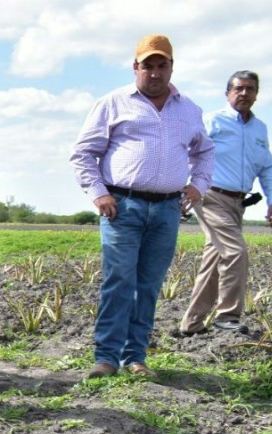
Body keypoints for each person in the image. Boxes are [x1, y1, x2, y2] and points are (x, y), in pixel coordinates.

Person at [70, 34, 214, 380]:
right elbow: (83, 153)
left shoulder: (189, 109)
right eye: (147, 65)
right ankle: (106, 357)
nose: (154, 72)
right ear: (135, 67)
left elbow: (205, 152)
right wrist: (98, 193)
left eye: (161, 65)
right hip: (122, 207)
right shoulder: (113, 103)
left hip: (167, 210)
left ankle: (135, 356)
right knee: (119, 282)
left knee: (149, 285)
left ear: (171, 68)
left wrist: (198, 186)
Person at [179, 71, 272, 337]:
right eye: (239, 88)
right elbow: (188, 152)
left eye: (250, 89)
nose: (244, 93)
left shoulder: (260, 129)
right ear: (228, 93)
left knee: (214, 260)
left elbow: (267, 167)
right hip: (210, 196)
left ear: (257, 94)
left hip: (238, 203)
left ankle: (190, 325)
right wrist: (184, 189)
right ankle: (228, 316)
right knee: (236, 251)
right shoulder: (213, 121)